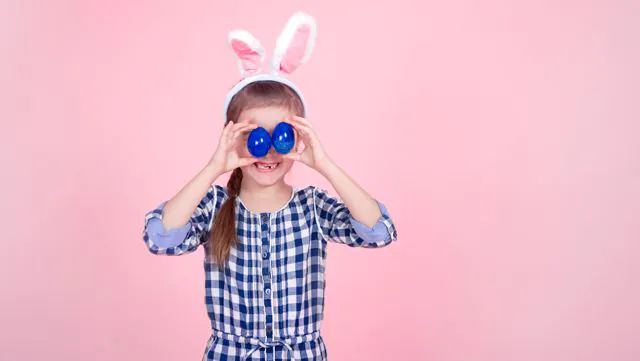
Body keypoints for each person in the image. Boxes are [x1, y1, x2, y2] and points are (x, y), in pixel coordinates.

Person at [141, 12, 398, 361]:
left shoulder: (312, 207)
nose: (270, 150)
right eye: (254, 136)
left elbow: (376, 230)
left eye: (282, 134)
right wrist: (215, 166)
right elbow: (161, 235)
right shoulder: (215, 207)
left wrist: (324, 164)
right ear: (232, 137)